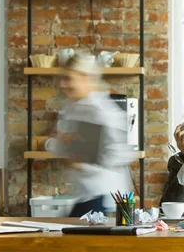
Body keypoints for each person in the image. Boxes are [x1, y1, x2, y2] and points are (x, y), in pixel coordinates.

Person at [52, 54, 134, 217]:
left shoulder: (99, 109)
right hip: (84, 193)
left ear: (84, 78)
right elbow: (61, 147)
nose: (62, 84)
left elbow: (123, 153)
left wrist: (81, 157)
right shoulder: (71, 107)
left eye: (68, 78)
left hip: (101, 194)